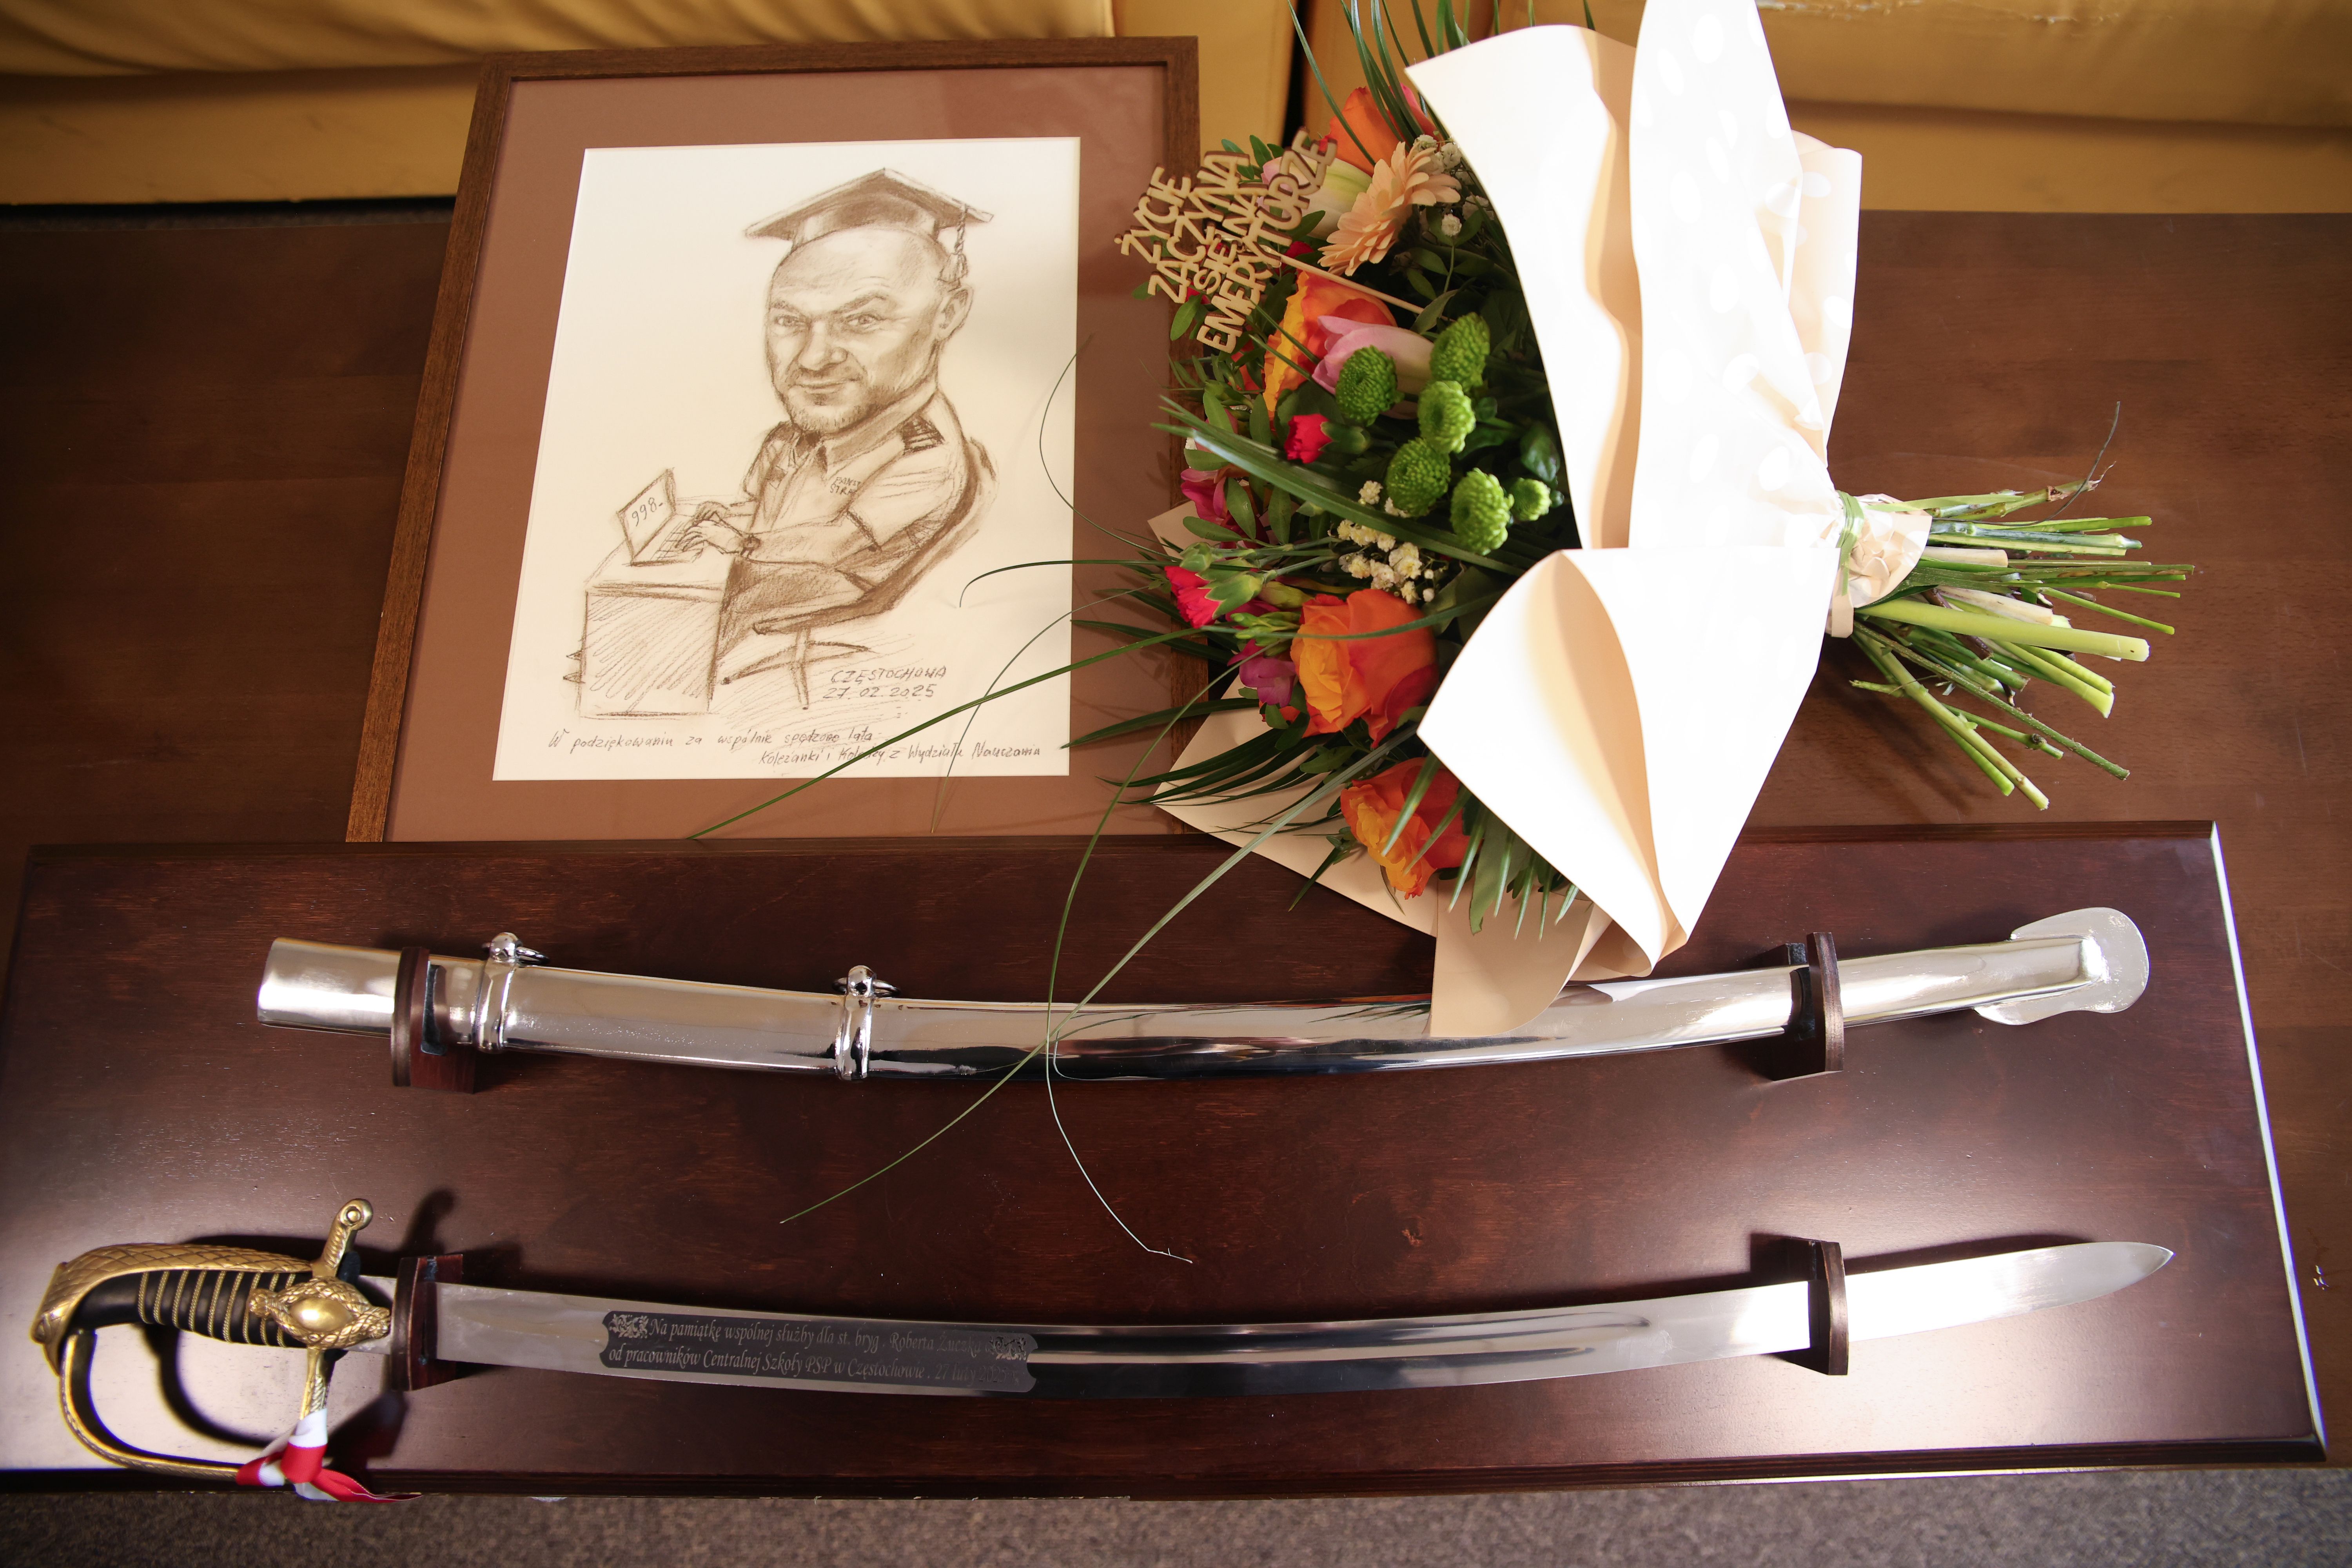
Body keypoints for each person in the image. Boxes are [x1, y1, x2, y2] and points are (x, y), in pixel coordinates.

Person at [684, 170, 994, 674]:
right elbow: (761, 516)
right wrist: (725, 521)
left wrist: (738, 542)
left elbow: (833, 544)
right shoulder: (792, 438)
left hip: (801, 664)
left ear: (948, 314)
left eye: (862, 320)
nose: (813, 359)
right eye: (790, 321)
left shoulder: (928, 457)